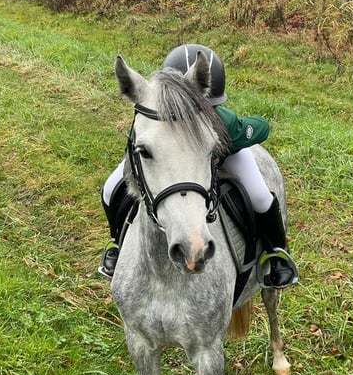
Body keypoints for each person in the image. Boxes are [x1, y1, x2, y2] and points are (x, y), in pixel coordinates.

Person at [99, 44, 298, 289]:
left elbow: (260, 127)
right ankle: (116, 242)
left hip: (219, 152)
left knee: (259, 196)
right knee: (110, 189)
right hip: (166, 159)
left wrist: (233, 140)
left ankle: (276, 252)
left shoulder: (224, 121)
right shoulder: (151, 115)